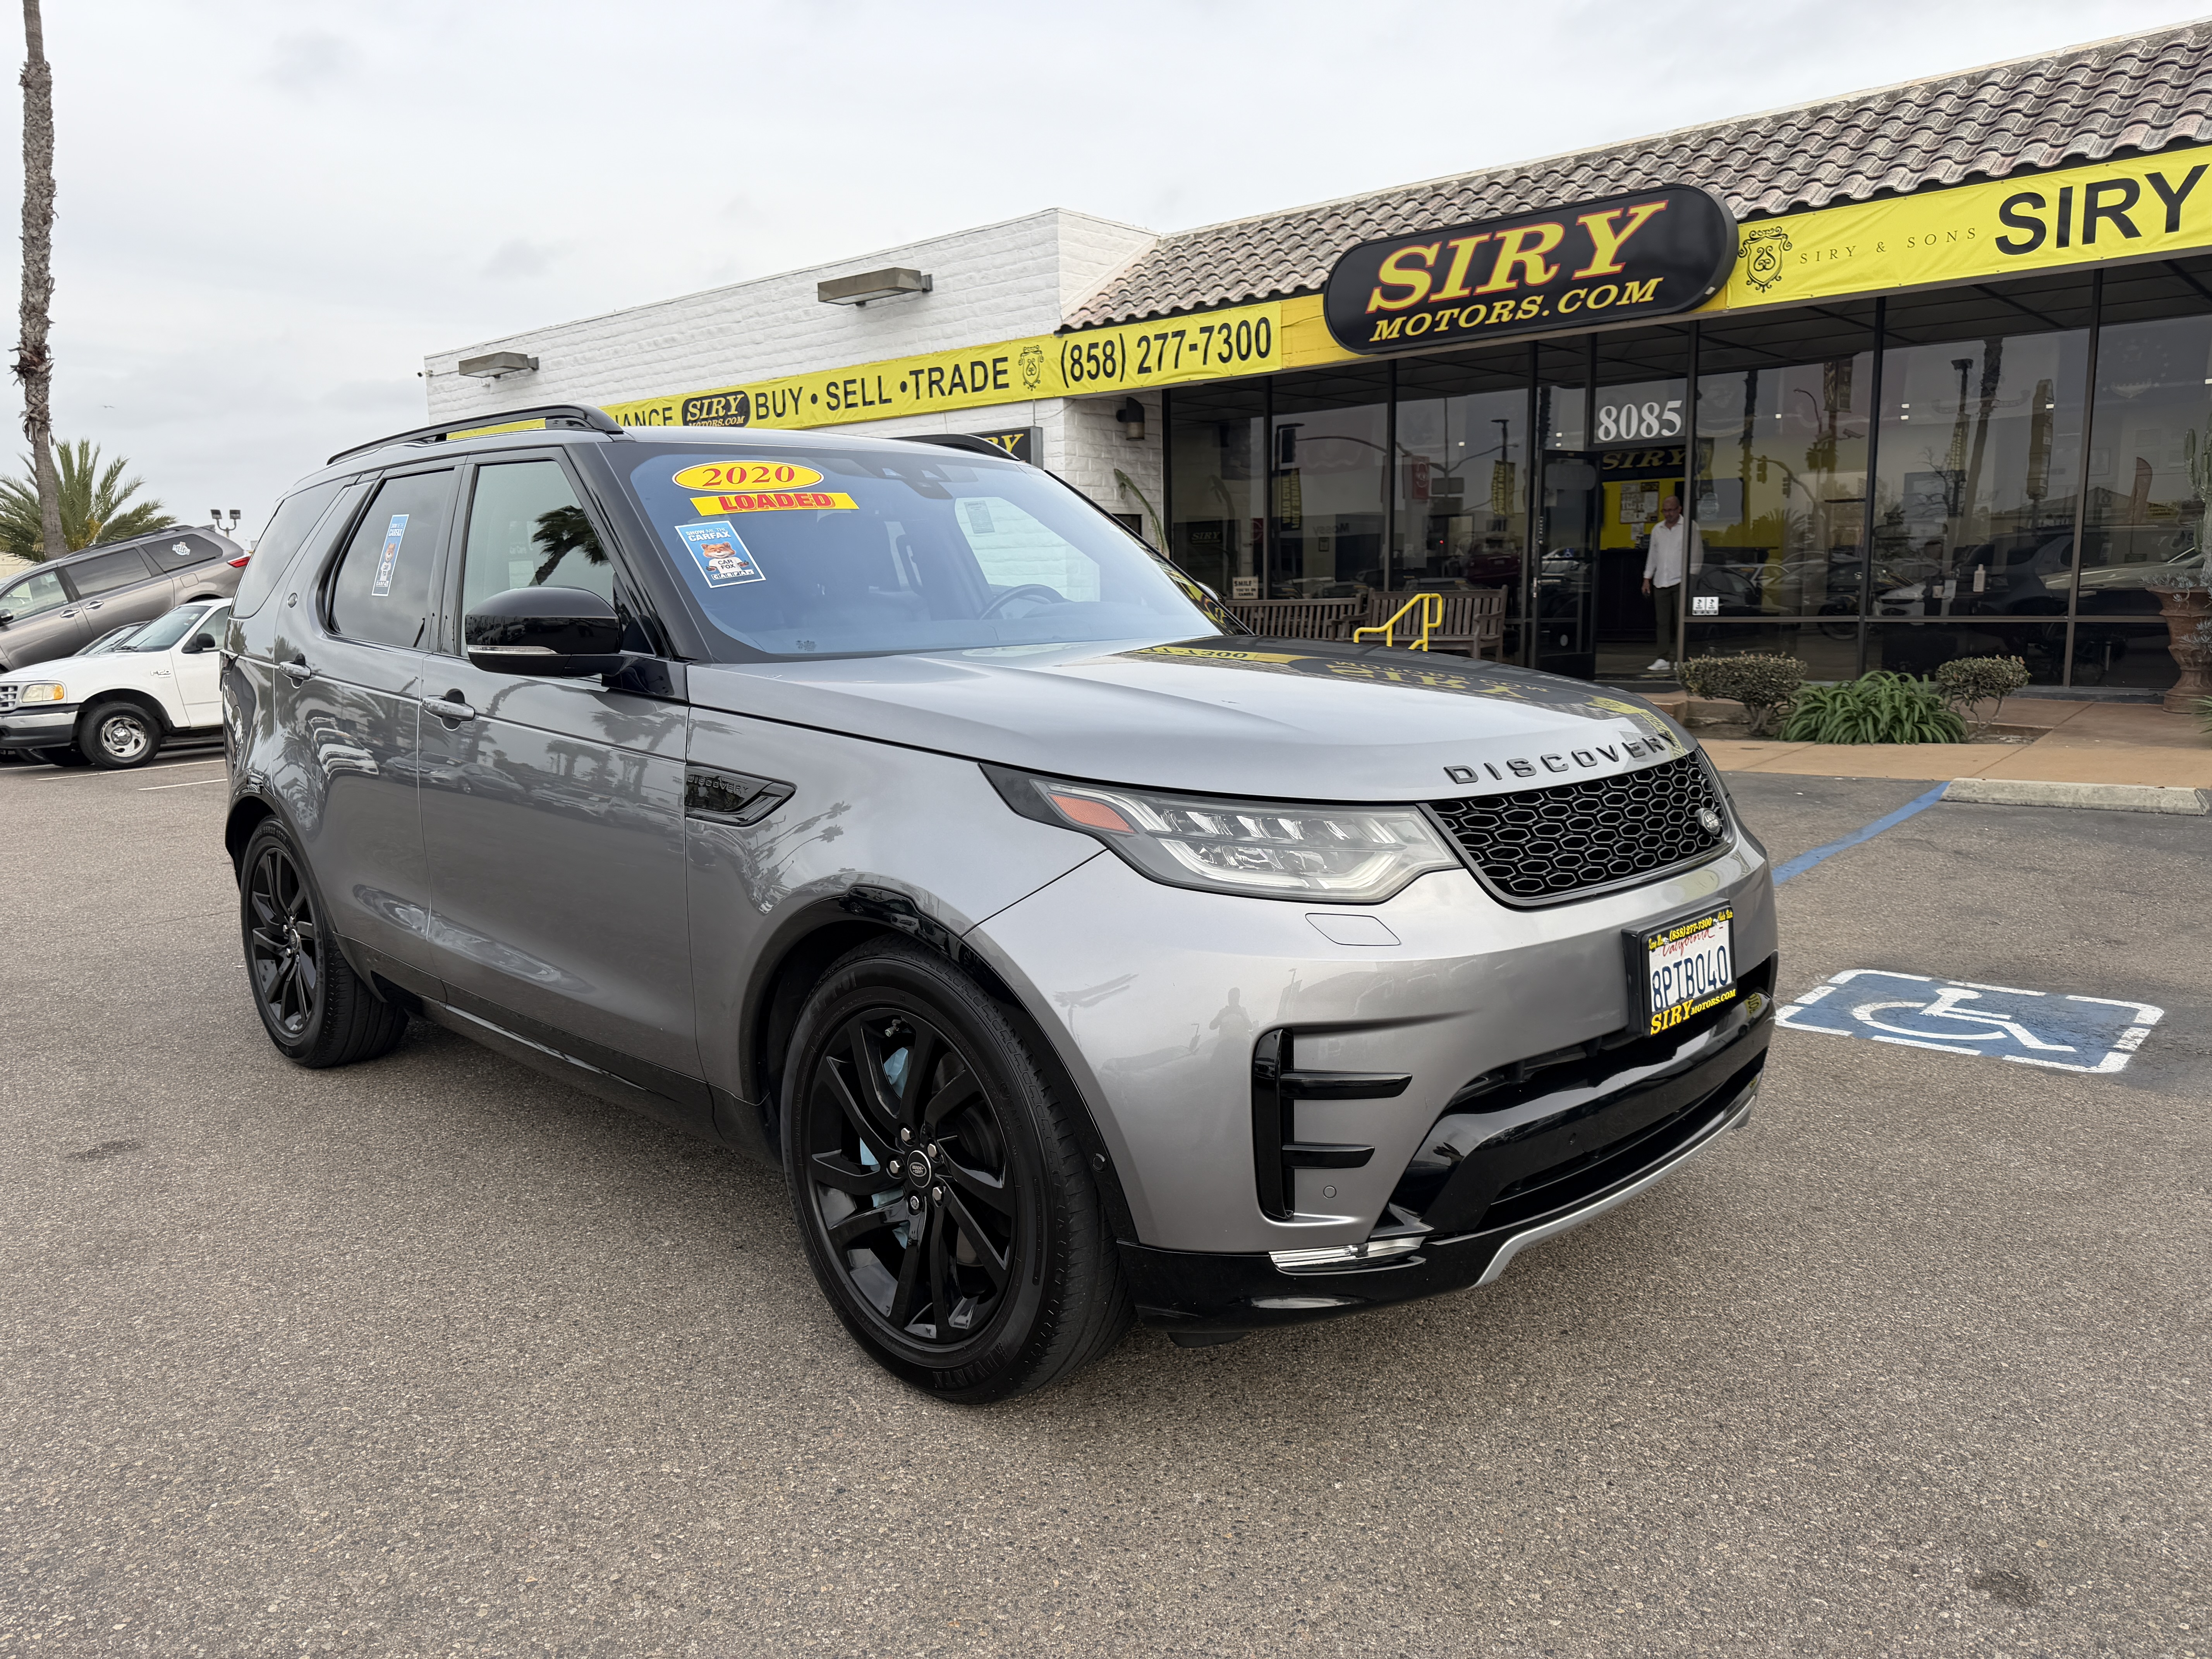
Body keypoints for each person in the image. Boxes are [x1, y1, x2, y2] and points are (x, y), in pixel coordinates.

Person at [1640, 494, 1704, 672]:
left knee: (1680, 621)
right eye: (1665, 511)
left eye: (1671, 510)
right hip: (1661, 580)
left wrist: (1691, 577)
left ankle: (1680, 658)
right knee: (1662, 621)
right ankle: (1663, 658)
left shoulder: (1690, 527)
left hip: (1681, 580)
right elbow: (1653, 555)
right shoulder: (1657, 529)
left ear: (1679, 510)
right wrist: (1647, 578)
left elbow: (1697, 553)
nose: (1668, 514)